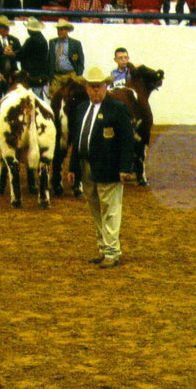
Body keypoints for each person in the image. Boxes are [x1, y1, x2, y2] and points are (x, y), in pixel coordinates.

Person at [66, 66, 136, 268]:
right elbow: (77, 140)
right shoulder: (80, 110)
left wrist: (125, 167)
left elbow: (127, 140)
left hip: (109, 167)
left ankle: (112, 252)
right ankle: (104, 249)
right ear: (86, 88)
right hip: (86, 165)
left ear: (106, 86)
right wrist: (73, 167)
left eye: (99, 86)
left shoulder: (117, 108)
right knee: (96, 209)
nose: (96, 90)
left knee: (111, 210)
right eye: (92, 86)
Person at [48, 19, 83, 96]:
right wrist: (50, 77)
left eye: (61, 30)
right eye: (58, 30)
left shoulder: (75, 43)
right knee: (54, 98)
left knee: (72, 98)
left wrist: (78, 77)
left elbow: (81, 61)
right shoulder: (52, 42)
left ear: (67, 30)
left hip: (70, 75)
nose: (59, 32)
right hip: (56, 76)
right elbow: (50, 60)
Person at [17, 18, 49, 96]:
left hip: (31, 76)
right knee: (38, 96)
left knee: (33, 98)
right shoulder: (43, 40)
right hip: (40, 74)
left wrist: (13, 54)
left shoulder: (30, 41)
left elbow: (21, 55)